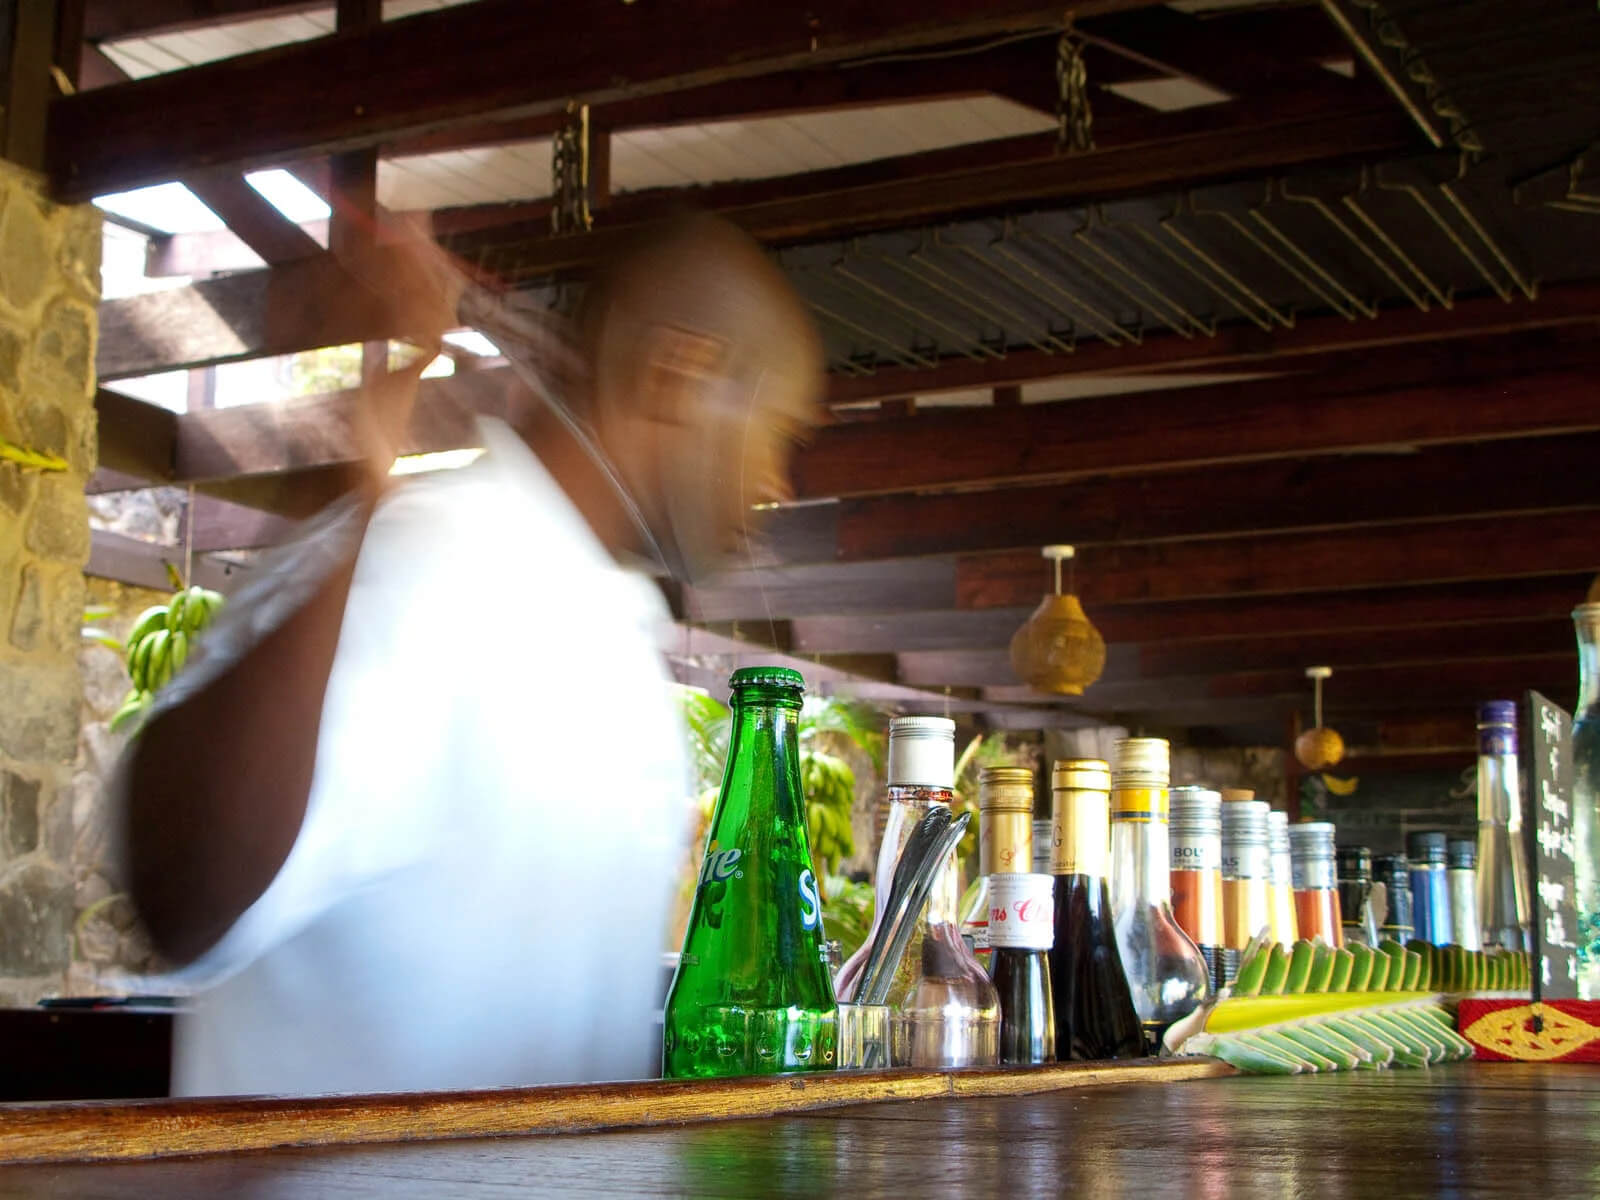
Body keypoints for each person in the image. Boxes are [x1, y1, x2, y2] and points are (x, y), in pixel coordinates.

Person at [115, 214, 824, 1096]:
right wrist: (349, 488)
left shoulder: (610, 628)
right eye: (779, 432)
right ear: (678, 375)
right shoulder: (433, 564)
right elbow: (185, 893)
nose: (777, 483)